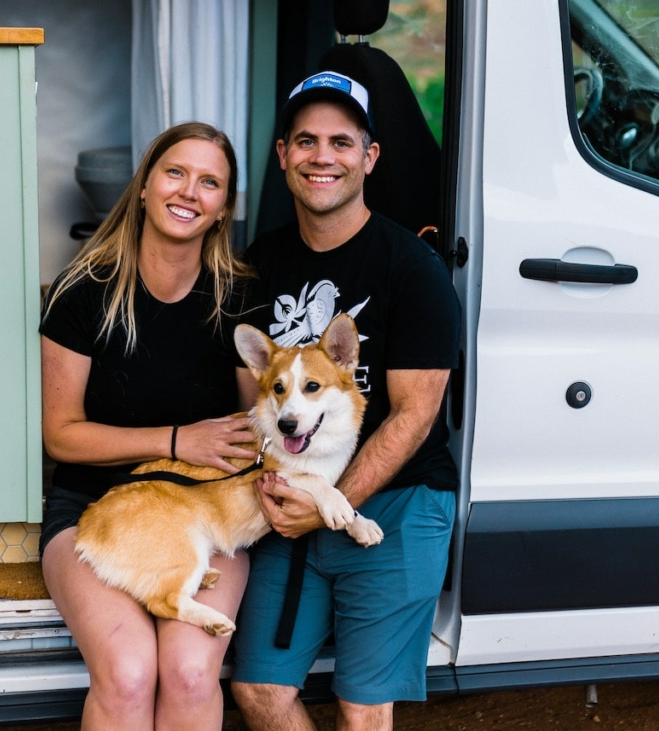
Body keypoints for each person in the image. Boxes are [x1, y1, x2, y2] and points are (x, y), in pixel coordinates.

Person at [230, 71, 462, 731]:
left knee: (363, 707)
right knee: (257, 690)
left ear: (369, 156)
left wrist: (331, 504)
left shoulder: (411, 269)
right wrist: (281, 491)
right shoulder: (259, 263)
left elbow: (415, 416)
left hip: (396, 496)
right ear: (282, 155)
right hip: (291, 495)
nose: (322, 156)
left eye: (341, 141)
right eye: (305, 141)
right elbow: (252, 403)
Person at [38, 121, 264, 731]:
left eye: (210, 182)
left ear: (223, 209)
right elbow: (60, 434)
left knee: (192, 674)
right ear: (143, 186)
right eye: (175, 172)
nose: (189, 191)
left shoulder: (238, 299)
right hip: (95, 508)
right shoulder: (83, 292)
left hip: (204, 513)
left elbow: (254, 430)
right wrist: (176, 440)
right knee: (129, 672)